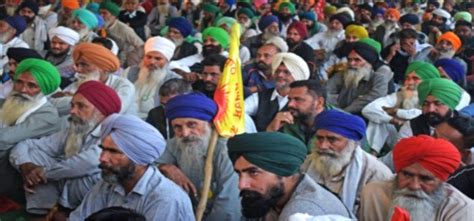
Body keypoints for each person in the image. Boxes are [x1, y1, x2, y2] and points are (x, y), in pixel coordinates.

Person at [9, 81, 121, 217]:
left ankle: (65, 212)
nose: (72, 111)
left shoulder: (114, 133)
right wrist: (25, 166)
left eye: (81, 106)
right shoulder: (75, 129)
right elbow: (28, 144)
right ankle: (45, 211)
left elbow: (89, 163)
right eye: (72, 105)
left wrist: (41, 174)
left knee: (87, 174)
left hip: (97, 194)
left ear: (101, 111)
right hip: (65, 185)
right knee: (33, 154)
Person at [69, 114, 194, 220]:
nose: (102, 158)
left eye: (113, 151)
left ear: (138, 157)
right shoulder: (107, 185)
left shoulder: (166, 198)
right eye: (103, 150)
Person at [228, 132, 351, 220]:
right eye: (239, 173)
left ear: (284, 171)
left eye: (253, 172)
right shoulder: (273, 196)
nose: (241, 185)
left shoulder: (304, 211)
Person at [157, 92, 241, 220]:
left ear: (210, 124)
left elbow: (228, 207)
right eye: (178, 127)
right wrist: (166, 167)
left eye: (192, 125)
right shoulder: (174, 144)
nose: (185, 133)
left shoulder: (226, 150)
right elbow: (146, 167)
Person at [359, 135, 474, 221]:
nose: (414, 185)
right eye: (407, 175)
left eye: (426, 179)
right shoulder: (373, 194)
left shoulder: (462, 210)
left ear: (442, 180)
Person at [302, 110, 392, 215]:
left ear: (352, 143)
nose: (323, 146)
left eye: (332, 140)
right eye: (319, 138)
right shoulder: (306, 164)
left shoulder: (376, 174)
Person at [0, 58, 61, 198]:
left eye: (32, 86)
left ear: (43, 89)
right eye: (19, 82)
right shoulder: (8, 102)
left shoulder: (47, 114)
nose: (22, 89)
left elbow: (3, 139)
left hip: (12, 176)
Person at [362, 61, 440, 154]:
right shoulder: (400, 95)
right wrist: (392, 120)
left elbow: (420, 116)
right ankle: (373, 153)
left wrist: (397, 112)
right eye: (407, 78)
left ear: (427, 82)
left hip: (420, 144)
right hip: (396, 139)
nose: (409, 82)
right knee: (378, 119)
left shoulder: (435, 101)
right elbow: (368, 109)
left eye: (415, 79)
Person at [51, 43, 136, 116]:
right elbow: (53, 105)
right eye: (77, 65)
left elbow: (109, 111)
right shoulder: (80, 83)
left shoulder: (124, 86)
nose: (78, 70)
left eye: (84, 65)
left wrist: (72, 98)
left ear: (103, 68)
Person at [245, 52, 310, 131]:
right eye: (277, 71)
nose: (280, 75)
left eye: (286, 72)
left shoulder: (304, 102)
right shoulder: (260, 97)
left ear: (297, 76)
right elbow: (239, 111)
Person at [327, 40, 392, 115]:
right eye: (349, 59)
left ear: (369, 63)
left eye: (357, 60)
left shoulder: (379, 79)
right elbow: (326, 91)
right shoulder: (342, 75)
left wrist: (344, 112)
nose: (351, 63)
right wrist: (336, 109)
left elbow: (368, 100)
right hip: (337, 113)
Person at [122, 36, 180, 119]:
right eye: (148, 57)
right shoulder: (130, 72)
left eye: (158, 58)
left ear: (167, 61)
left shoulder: (174, 80)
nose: (152, 62)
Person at [266, 80, 328, 152]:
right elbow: (267, 153)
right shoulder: (285, 119)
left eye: (298, 99)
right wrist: (271, 130)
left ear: (319, 102)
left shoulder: (338, 123)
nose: (290, 104)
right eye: (289, 99)